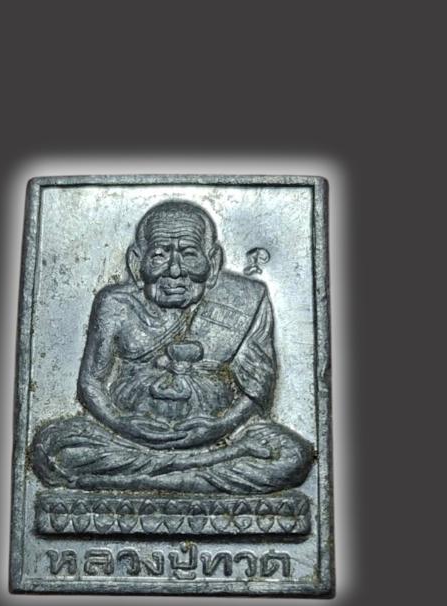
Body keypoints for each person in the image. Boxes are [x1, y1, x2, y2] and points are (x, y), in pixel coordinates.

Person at [32, 200, 313, 494]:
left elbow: (256, 391)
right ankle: (191, 475)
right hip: (125, 439)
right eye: (159, 255)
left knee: (292, 457)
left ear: (213, 261)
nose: (175, 270)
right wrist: (122, 423)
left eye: (189, 254)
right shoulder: (115, 305)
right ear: (136, 261)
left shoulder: (246, 300)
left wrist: (219, 427)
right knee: (53, 448)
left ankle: (138, 482)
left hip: (219, 436)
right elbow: (91, 383)